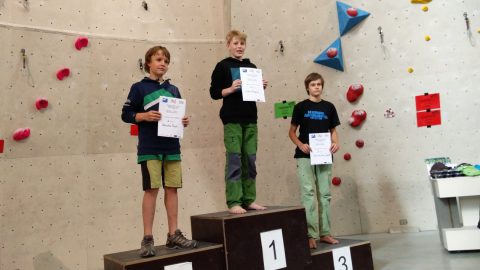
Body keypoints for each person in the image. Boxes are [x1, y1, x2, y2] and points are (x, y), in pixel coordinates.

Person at [121, 45, 198, 258]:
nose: (162, 63)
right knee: (151, 190)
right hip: (149, 148)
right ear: (148, 63)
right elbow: (126, 114)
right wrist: (143, 116)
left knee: (172, 189)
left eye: (165, 60)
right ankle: (147, 238)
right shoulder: (138, 88)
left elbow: (177, 117)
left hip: (172, 147)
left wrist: (183, 120)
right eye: (158, 59)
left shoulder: (174, 90)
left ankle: (173, 234)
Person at [209, 30, 268, 214]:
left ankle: (249, 199)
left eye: (242, 43)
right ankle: (234, 201)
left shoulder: (252, 66)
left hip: (250, 118)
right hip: (232, 118)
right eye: (235, 43)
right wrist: (230, 88)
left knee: (250, 159)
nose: (239, 46)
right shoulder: (222, 66)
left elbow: (254, 95)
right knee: (235, 159)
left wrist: (261, 87)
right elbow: (214, 92)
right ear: (229, 45)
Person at [288, 72, 340, 249]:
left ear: (322, 86)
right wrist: (301, 144)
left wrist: (335, 142)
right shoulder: (300, 107)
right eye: (313, 85)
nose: (316, 87)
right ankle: (310, 235)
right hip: (304, 156)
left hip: (324, 155)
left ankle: (325, 233)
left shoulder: (329, 107)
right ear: (307, 87)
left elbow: (333, 130)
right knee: (308, 194)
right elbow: (291, 132)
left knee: (325, 195)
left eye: (319, 84)